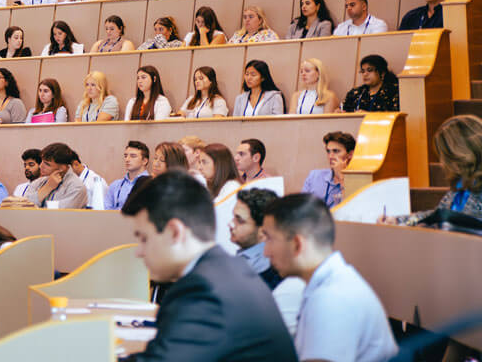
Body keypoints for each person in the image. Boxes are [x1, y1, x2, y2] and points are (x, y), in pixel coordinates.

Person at [119, 172, 296, 361]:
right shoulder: (224, 271)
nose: (139, 252)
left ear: (174, 232)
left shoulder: (203, 290)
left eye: (144, 238)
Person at [262, 195, 397, 362]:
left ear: (297, 244)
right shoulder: (328, 283)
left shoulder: (331, 298)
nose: (265, 252)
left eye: (269, 239)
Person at [15, 143, 87, 210]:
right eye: (42, 161)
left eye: (47, 164)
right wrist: (47, 187)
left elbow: (59, 214)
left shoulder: (77, 187)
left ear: (62, 168)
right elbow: (24, 208)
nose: (40, 166)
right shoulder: (39, 182)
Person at [302, 132, 354, 207]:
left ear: (350, 154)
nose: (330, 156)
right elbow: (302, 207)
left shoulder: (357, 181)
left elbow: (351, 208)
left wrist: (342, 178)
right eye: (328, 151)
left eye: (336, 151)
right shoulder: (314, 176)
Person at [105, 141, 150, 211]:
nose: (127, 159)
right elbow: (105, 212)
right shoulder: (115, 185)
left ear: (144, 161)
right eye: (126, 156)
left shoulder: (152, 185)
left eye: (133, 156)